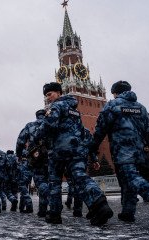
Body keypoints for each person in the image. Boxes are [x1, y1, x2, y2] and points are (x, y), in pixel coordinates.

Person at [89, 80, 149, 225]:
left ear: (115, 93)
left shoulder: (112, 106)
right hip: (141, 153)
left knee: (131, 179)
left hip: (123, 153)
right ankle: (127, 213)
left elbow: (100, 130)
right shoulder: (141, 108)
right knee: (128, 182)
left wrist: (93, 147)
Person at [34, 82, 113, 225]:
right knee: (80, 177)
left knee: (55, 182)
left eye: (50, 94)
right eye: (46, 96)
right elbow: (82, 131)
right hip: (77, 150)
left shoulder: (56, 106)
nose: (48, 98)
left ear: (59, 93)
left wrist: (37, 136)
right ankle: (100, 205)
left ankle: (55, 214)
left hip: (59, 151)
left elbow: (48, 125)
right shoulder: (74, 110)